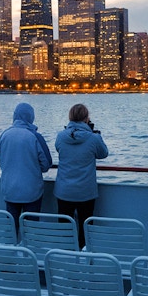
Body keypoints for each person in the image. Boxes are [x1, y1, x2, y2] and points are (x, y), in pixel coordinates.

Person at [53, 103, 108, 248]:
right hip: (85, 192)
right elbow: (103, 154)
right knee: (86, 230)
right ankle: (84, 262)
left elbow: (59, 149)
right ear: (87, 118)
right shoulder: (93, 138)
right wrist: (96, 135)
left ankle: (66, 260)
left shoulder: (60, 137)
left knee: (65, 231)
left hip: (64, 190)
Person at [0, 102, 52, 234]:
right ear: (31, 117)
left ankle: (12, 250)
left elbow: (0, 160)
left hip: (9, 189)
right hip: (31, 191)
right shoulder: (35, 136)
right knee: (31, 228)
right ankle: (29, 251)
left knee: (11, 227)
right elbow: (46, 164)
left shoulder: (4, 135)